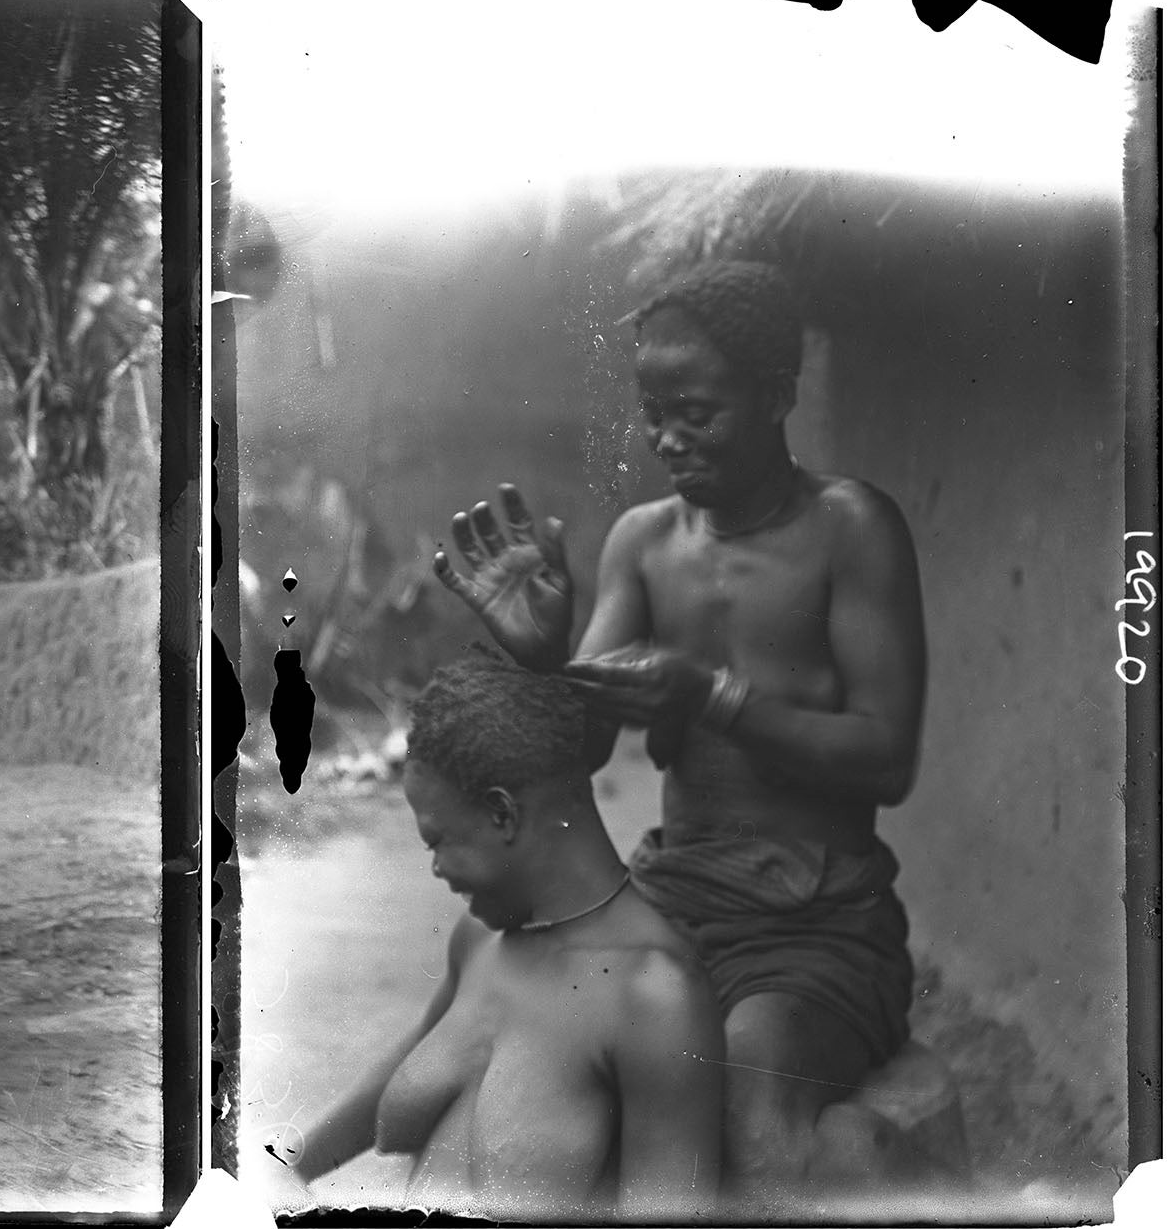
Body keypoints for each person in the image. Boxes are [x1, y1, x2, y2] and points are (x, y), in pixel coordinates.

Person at [432, 261, 927, 1199]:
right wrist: (540, 663)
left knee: (742, 1092)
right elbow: (578, 747)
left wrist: (710, 695)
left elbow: (887, 755)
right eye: (653, 408)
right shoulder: (644, 542)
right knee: (548, 1063)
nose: (667, 437)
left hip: (815, 927)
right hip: (674, 901)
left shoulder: (850, 528)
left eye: (698, 411)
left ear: (777, 394)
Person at [267, 654, 724, 1220]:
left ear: (502, 815)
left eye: (438, 842)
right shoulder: (480, 941)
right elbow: (374, 1098)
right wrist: (279, 1164)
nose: (434, 867)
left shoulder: (656, 997)